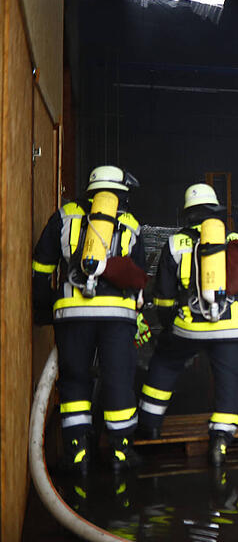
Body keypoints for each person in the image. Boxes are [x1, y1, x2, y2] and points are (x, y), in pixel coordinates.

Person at [32, 165, 148, 474]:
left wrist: (43, 308)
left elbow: (42, 265)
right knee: (119, 379)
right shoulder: (129, 224)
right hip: (116, 316)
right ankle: (121, 454)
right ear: (121, 194)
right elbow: (138, 277)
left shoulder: (64, 216)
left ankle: (77, 455)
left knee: (74, 380)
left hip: (72, 314)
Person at [137, 183, 238, 465]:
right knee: (228, 381)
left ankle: (150, 425)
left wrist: (169, 328)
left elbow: (165, 297)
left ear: (188, 215)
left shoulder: (174, 243)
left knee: (165, 364)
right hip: (230, 327)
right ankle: (220, 441)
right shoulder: (235, 240)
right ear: (216, 211)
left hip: (189, 327)